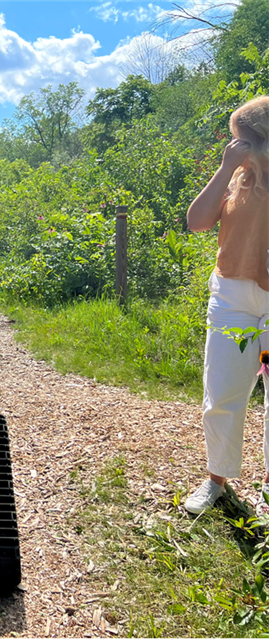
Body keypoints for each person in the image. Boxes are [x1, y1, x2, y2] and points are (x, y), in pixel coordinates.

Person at [184, 96, 269, 515]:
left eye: (240, 140)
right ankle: (216, 479)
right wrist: (224, 169)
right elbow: (196, 221)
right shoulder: (235, 180)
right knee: (222, 392)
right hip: (233, 300)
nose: (233, 147)